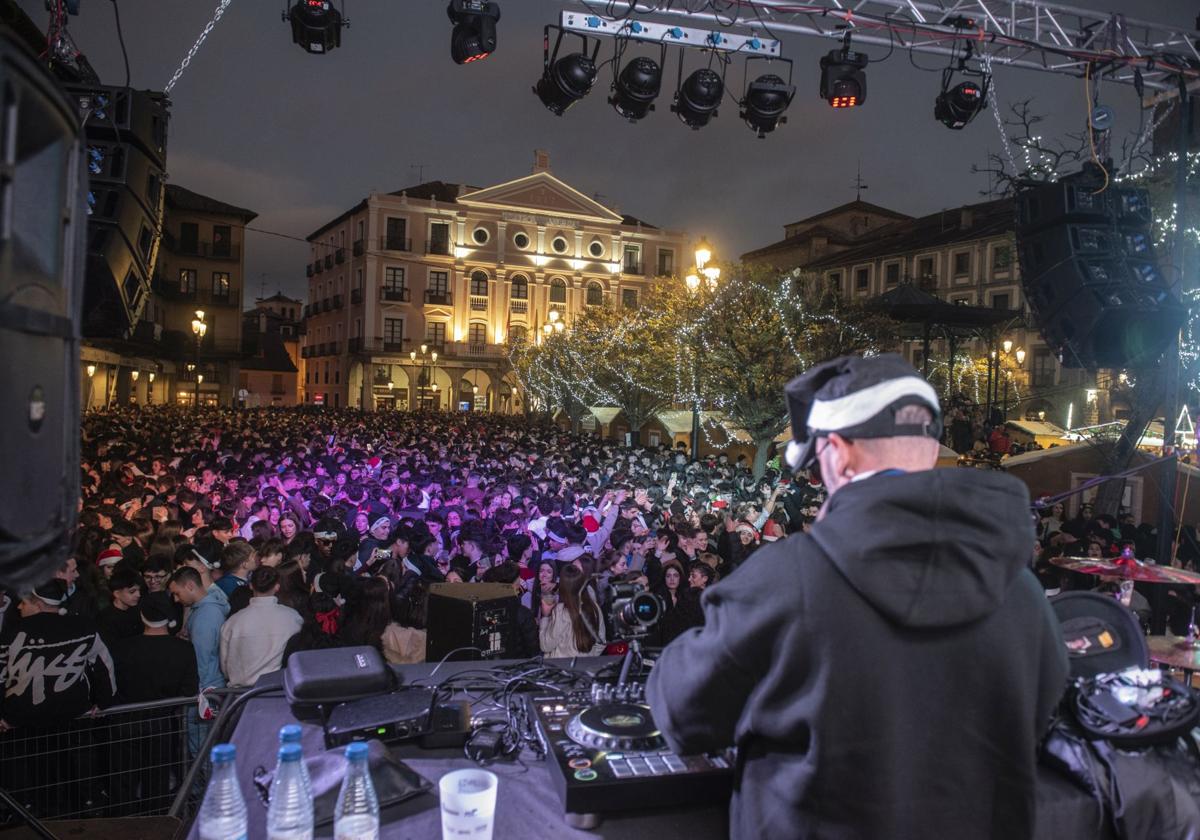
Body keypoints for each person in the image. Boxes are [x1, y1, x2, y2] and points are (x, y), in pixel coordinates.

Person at [647, 353, 1069, 840]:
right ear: (928, 452)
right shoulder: (1022, 591)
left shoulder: (791, 576)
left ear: (838, 452)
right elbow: (1038, 723)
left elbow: (682, 711)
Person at [218, 566, 303, 687]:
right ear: (277, 587)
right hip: (278, 691)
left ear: (251, 585)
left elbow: (225, 668)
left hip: (240, 696)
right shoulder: (293, 618)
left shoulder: (233, 622)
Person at [168, 565, 229, 692]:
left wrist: (195, 689)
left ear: (190, 586)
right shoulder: (205, 610)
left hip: (205, 687)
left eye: (177, 593)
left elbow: (201, 659)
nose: (176, 599)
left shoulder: (205, 615)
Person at [539, 564, 605, 658]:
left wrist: (546, 616)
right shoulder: (595, 608)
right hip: (584, 669)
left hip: (560, 668)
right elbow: (601, 642)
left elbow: (545, 646)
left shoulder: (560, 611)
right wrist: (588, 658)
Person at [96, 565, 144, 646]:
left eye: (139, 590)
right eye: (132, 591)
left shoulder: (138, 610)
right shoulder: (105, 618)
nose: (138, 595)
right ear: (117, 594)